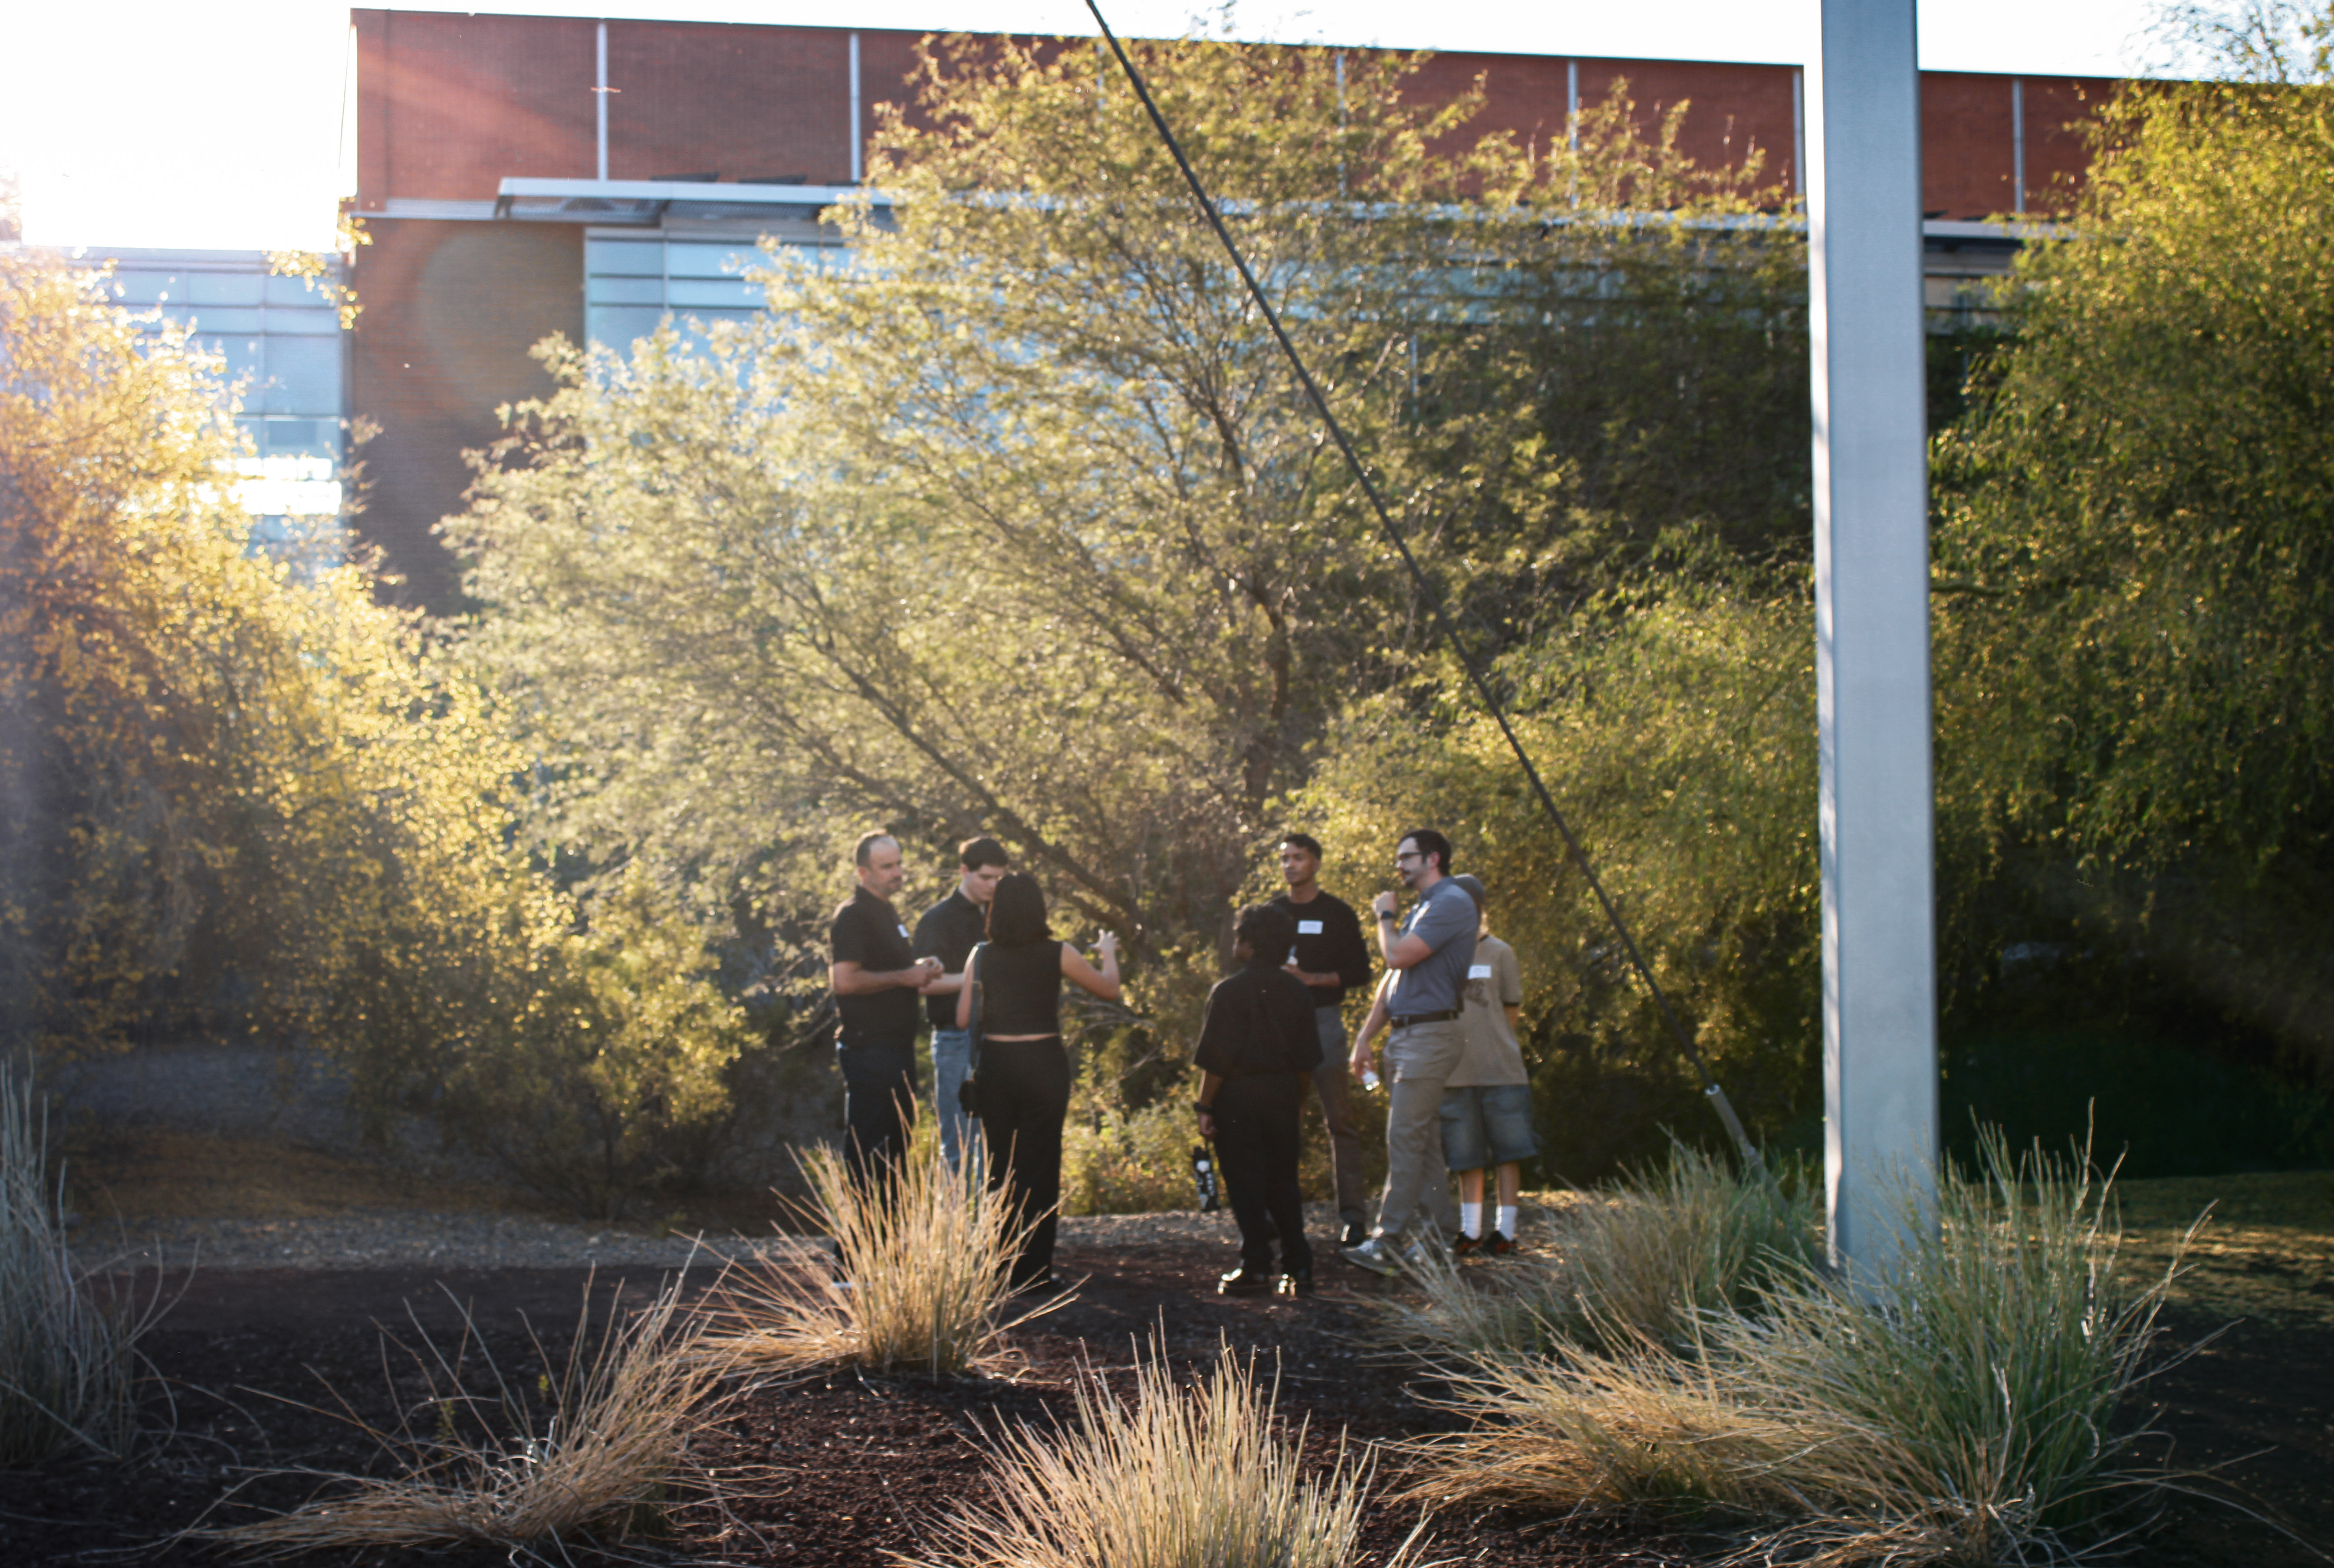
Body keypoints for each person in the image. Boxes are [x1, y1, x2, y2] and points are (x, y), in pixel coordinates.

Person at [957, 871, 1120, 1293]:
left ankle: (1001, 1267)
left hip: (997, 1066)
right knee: (1041, 1165)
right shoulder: (1058, 952)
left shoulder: (980, 955)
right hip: (1043, 1063)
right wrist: (1107, 952)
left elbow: (962, 1018)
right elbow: (1109, 990)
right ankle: (1035, 1271)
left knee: (1000, 1166)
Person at [1340, 828, 1476, 1276]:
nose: (1398, 865)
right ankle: (1440, 1239)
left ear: (1432, 858)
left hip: (1430, 1035)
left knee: (1403, 1137)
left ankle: (1388, 1242)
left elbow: (1396, 956)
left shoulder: (1451, 902)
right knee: (1423, 1143)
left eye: (1406, 857)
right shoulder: (1424, 907)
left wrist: (1385, 917)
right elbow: (1394, 977)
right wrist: (1365, 1037)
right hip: (1406, 1035)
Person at [1193, 902, 1324, 1297]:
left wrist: (1204, 1106)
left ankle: (1256, 1265)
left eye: (1239, 937)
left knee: (1244, 1180)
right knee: (1284, 1180)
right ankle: (1299, 1266)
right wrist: (1299, 1101)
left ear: (1250, 943)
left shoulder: (1229, 992)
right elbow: (1307, 1061)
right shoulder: (1297, 991)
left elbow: (1216, 1061)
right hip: (1283, 1091)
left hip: (1238, 1096)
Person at [1268, 833, 1375, 1248]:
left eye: (1298, 858)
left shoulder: (1337, 913)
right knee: (1282, 1122)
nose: (1290, 865)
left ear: (1315, 862)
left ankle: (1354, 1217)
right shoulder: (1272, 912)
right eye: (1284, 858)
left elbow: (1361, 972)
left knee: (1340, 1121)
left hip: (1325, 1022)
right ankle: (1277, 1215)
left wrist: (1310, 979)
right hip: (1281, 1026)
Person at [828, 832, 942, 1187]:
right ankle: (860, 1226)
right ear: (863, 872)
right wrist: (905, 977)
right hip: (870, 1050)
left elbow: (890, 969)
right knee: (870, 1153)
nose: (897, 873)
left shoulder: (886, 910)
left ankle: (890, 1225)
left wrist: (921, 967)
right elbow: (844, 981)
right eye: (887, 866)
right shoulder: (854, 915)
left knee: (897, 1152)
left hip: (896, 1047)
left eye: (899, 864)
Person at [1439, 874, 1536, 1256]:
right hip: (1455, 1073)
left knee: (1509, 1152)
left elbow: (1511, 1010)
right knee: (1467, 1157)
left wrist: (1495, 1045)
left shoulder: (1500, 952)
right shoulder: (1441, 953)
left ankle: (1506, 1232)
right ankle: (1471, 1230)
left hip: (1502, 1072)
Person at [914, 836, 1010, 1175]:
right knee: (959, 1146)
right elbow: (924, 983)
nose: (993, 885)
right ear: (965, 871)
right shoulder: (937, 919)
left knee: (996, 1145)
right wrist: (977, 979)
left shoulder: (1003, 915)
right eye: (986, 877)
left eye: (999, 878)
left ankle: (993, 1209)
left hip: (998, 1040)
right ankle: (957, 1211)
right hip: (955, 1041)